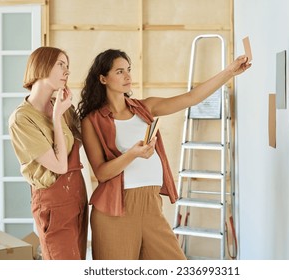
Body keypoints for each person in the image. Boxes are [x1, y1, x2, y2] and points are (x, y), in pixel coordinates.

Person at [77, 49, 251, 260]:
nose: (128, 76)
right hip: (114, 212)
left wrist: (229, 72)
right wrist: (133, 153)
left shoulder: (146, 108)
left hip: (151, 205)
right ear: (103, 78)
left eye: (128, 70)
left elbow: (191, 98)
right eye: (120, 71)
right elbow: (102, 173)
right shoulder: (92, 121)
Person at [8, 46, 88, 260]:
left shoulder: (62, 106)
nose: (67, 71)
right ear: (41, 66)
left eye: (68, 66)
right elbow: (59, 166)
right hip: (53, 202)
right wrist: (56, 117)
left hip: (77, 195)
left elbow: (87, 139)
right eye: (60, 64)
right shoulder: (22, 119)